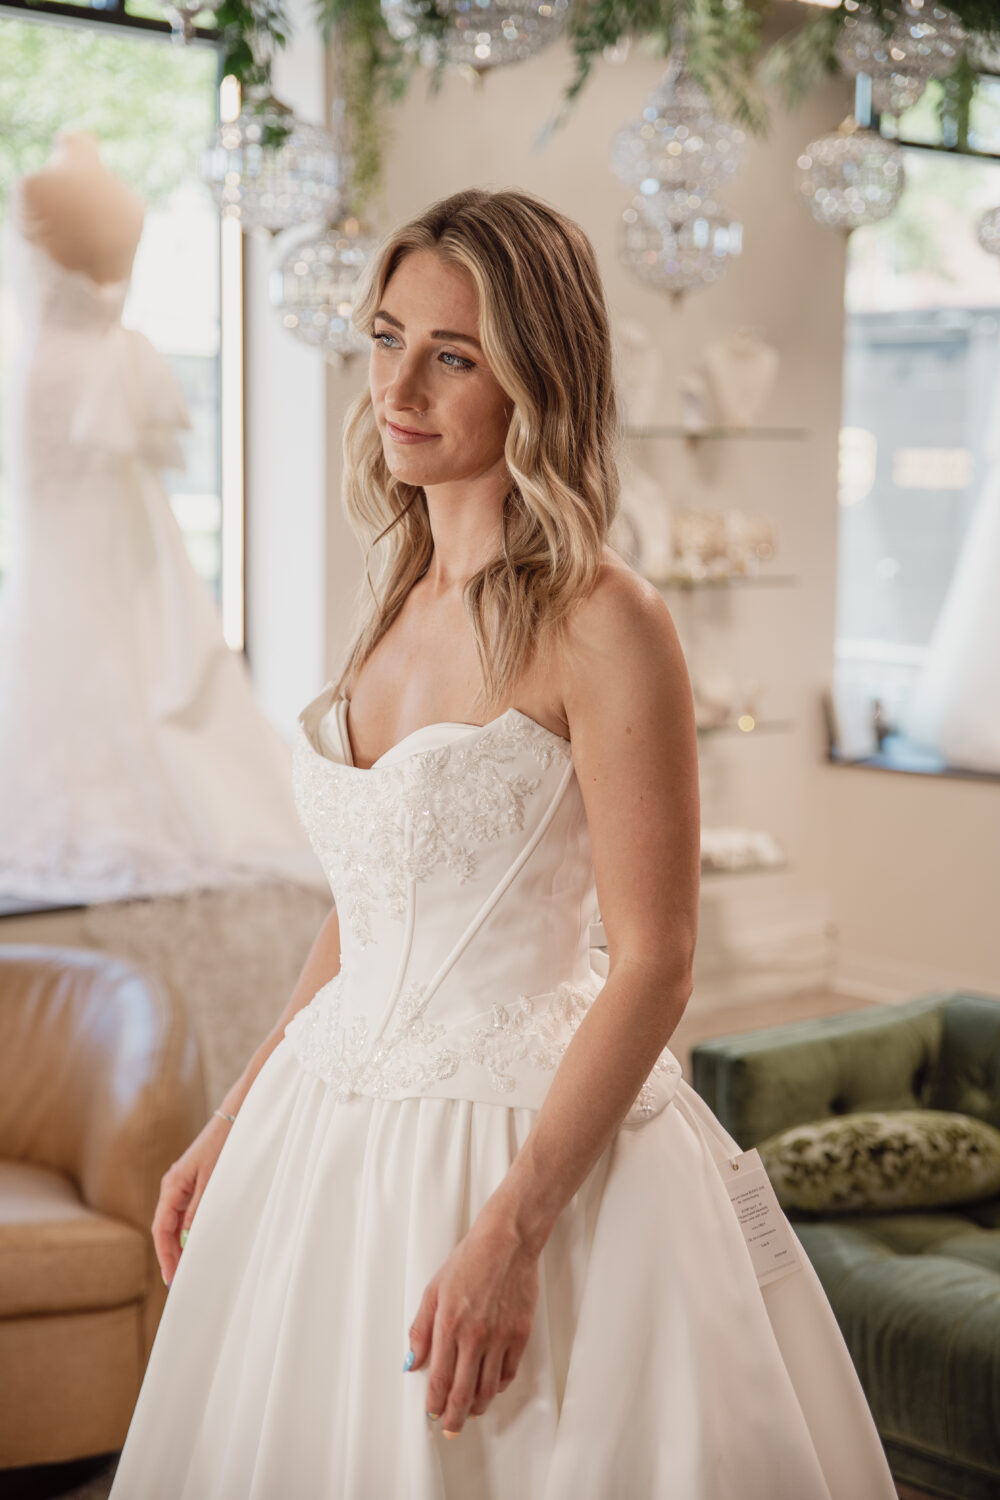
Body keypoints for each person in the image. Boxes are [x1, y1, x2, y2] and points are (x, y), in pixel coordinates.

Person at [108, 187, 898, 1498]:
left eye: (454, 354)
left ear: (537, 377)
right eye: (385, 336)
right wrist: (230, 1124)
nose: (400, 384)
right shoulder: (391, 600)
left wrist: (516, 1229)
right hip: (331, 1127)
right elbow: (365, 912)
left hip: (519, 1144)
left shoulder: (605, 618)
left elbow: (657, 958)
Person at [0, 130, 319, 903]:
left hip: (51, 382)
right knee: (100, 575)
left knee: (87, 575)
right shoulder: (114, 202)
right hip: (84, 386)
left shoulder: (40, 193)